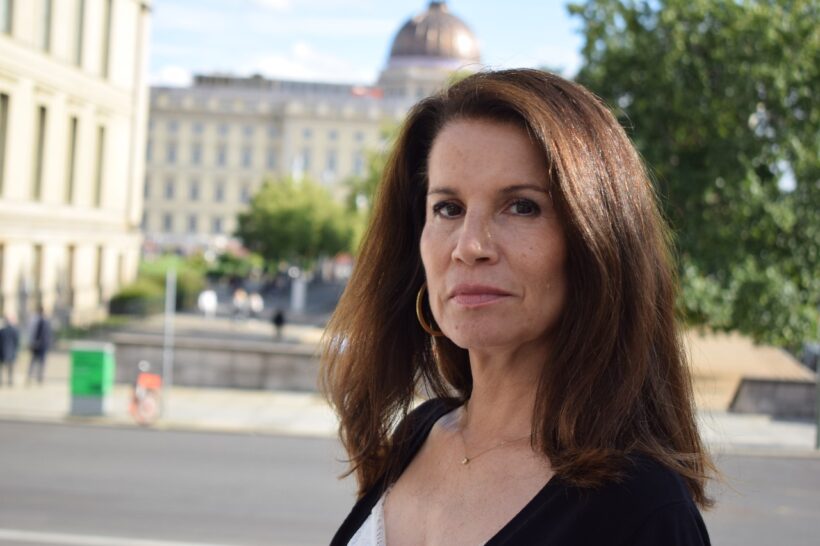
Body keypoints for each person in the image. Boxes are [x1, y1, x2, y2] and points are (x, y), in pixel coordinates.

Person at [322, 69, 714, 545]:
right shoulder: (416, 434)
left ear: (597, 243)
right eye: (448, 208)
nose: (469, 246)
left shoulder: (642, 510)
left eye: (522, 207)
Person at [27, 305, 52, 385]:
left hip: (42, 345)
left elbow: (47, 334)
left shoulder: (44, 321)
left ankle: (38, 377)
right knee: (34, 361)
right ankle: (31, 376)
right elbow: (32, 333)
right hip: (37, 345)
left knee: (40, 362)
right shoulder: (35, 320)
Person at [0, 314, 20, 387]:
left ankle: (1, 381)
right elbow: (17, 342)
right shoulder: (14, 330)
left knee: (2, 368)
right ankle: (10, 381)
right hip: (11, 351)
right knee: (10, 368)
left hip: (2, 352)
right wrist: (16, 351)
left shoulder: (2, 331)